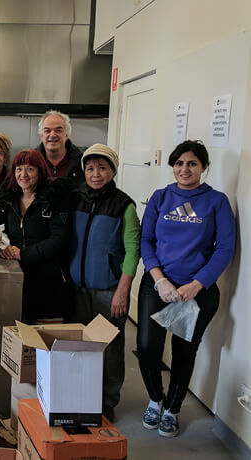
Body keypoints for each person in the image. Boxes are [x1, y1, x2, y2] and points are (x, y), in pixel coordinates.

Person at [137, 140, 235, 437]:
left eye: (192, 163)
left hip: (196, 290)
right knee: (147, 347)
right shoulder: (160, 197)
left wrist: (197, 284)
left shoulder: (216, 201)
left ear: (204, 167)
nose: (185, 169)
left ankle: (172, 409)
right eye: (179, 163)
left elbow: (225, 248)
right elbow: (146, 241)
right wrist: (160, 280)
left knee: (183, 351)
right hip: (158, 284)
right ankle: (155, 399)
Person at [69, 144, 141, 423]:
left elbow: (133, 251)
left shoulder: (124, 205)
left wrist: (123, 291)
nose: (95, 174)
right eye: (90, 168)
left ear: (112, 171)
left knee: (109, 350)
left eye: (102, 168)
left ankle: (107, 401)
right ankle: (79, 396)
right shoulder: (76, 200)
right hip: (77, 288)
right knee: (78, 347)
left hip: (109, 289)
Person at [0, 149, 72, 322]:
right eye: (19, 169)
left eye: (30, 169)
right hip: (14, 281)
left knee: (43, 335)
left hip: (47, 283)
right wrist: (3, 247)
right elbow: (0, 232)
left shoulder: (53, 200)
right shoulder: (8, 200)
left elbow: (59, 239)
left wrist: (23, 254)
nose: (23, 174)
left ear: (40, 171)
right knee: (15, 330)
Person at [36, 110, 84, 182]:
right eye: (47, 131)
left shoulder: (81, 161)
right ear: (41, 136)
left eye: (58, 130)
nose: (52, 135)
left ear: (66, 134)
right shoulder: (31, 161)